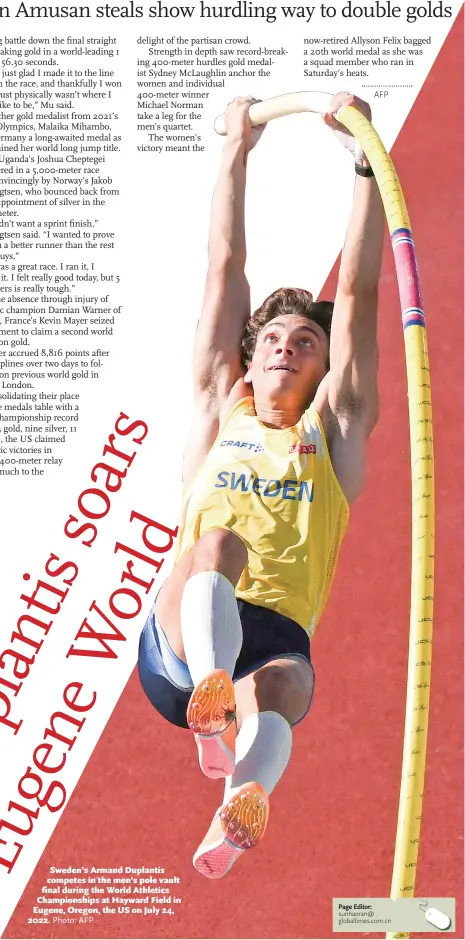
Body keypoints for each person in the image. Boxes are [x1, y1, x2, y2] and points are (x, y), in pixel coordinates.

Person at [138, 91, 384, 879]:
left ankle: (239, 806)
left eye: (303, 342)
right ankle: (211, 695)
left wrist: (364, 165)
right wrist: (235, 151)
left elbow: (360, 298)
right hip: (181, 644)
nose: (284, 347)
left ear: (321, 371)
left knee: (284, 685)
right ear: (248, 360)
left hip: (270, 641)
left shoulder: (333, 434)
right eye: (271, 338)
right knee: (216, 541)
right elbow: (224, 267)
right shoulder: (221, 407)